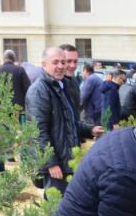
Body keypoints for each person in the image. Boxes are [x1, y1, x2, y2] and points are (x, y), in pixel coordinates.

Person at [26, 46, 98, 195]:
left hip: (66, 163)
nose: (61, 66)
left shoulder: (61, 87)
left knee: (67, 211)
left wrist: (90, 130)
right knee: (56, 211)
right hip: (55, 166)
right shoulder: (39, 91)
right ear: (44, 64)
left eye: (63, 62)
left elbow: (68, 123)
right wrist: (51, 164)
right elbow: (38, 132)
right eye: (55, 62)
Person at [0, 49, 30, 119]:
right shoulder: (19, 69)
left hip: (3, 106)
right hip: (18, 107)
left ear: (4, 58)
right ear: (14, 58)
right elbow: (28, 88)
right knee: (18, 127)